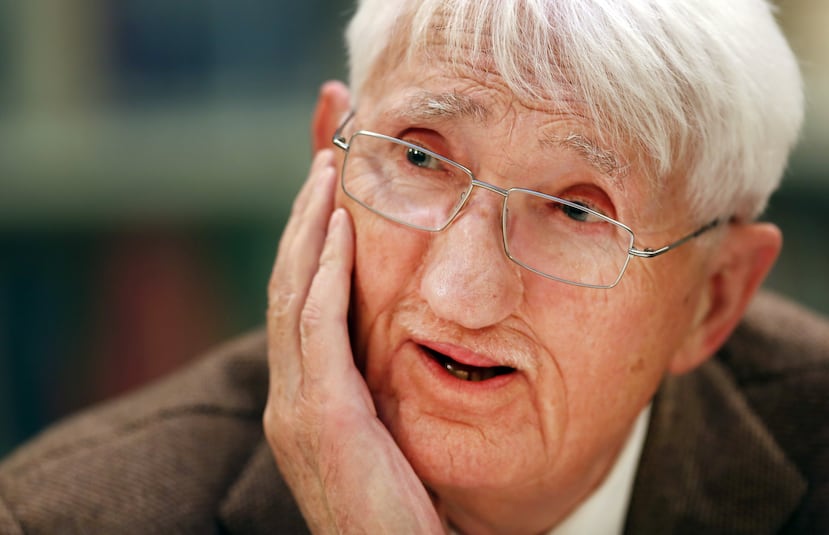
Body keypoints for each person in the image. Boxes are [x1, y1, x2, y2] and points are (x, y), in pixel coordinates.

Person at [1, 0, 827, 533]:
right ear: (329, 157)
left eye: (578, 211)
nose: (459, 292)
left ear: (712, 299)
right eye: (420, 158)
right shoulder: (64, 516)